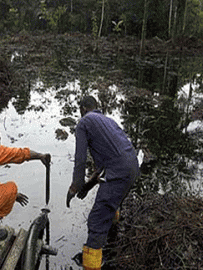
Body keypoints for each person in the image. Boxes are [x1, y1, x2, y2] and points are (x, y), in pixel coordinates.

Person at [66, 96, 139, 270]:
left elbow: (80, 160)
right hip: (133, 167)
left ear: (83, 109)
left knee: (97, 220)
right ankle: (112, 245)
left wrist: (74, 187)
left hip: (118, 172)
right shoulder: (108, 121)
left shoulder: (84, 123)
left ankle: (91, 265)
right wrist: (87, 187)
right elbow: (106, 163)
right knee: (111, 204)